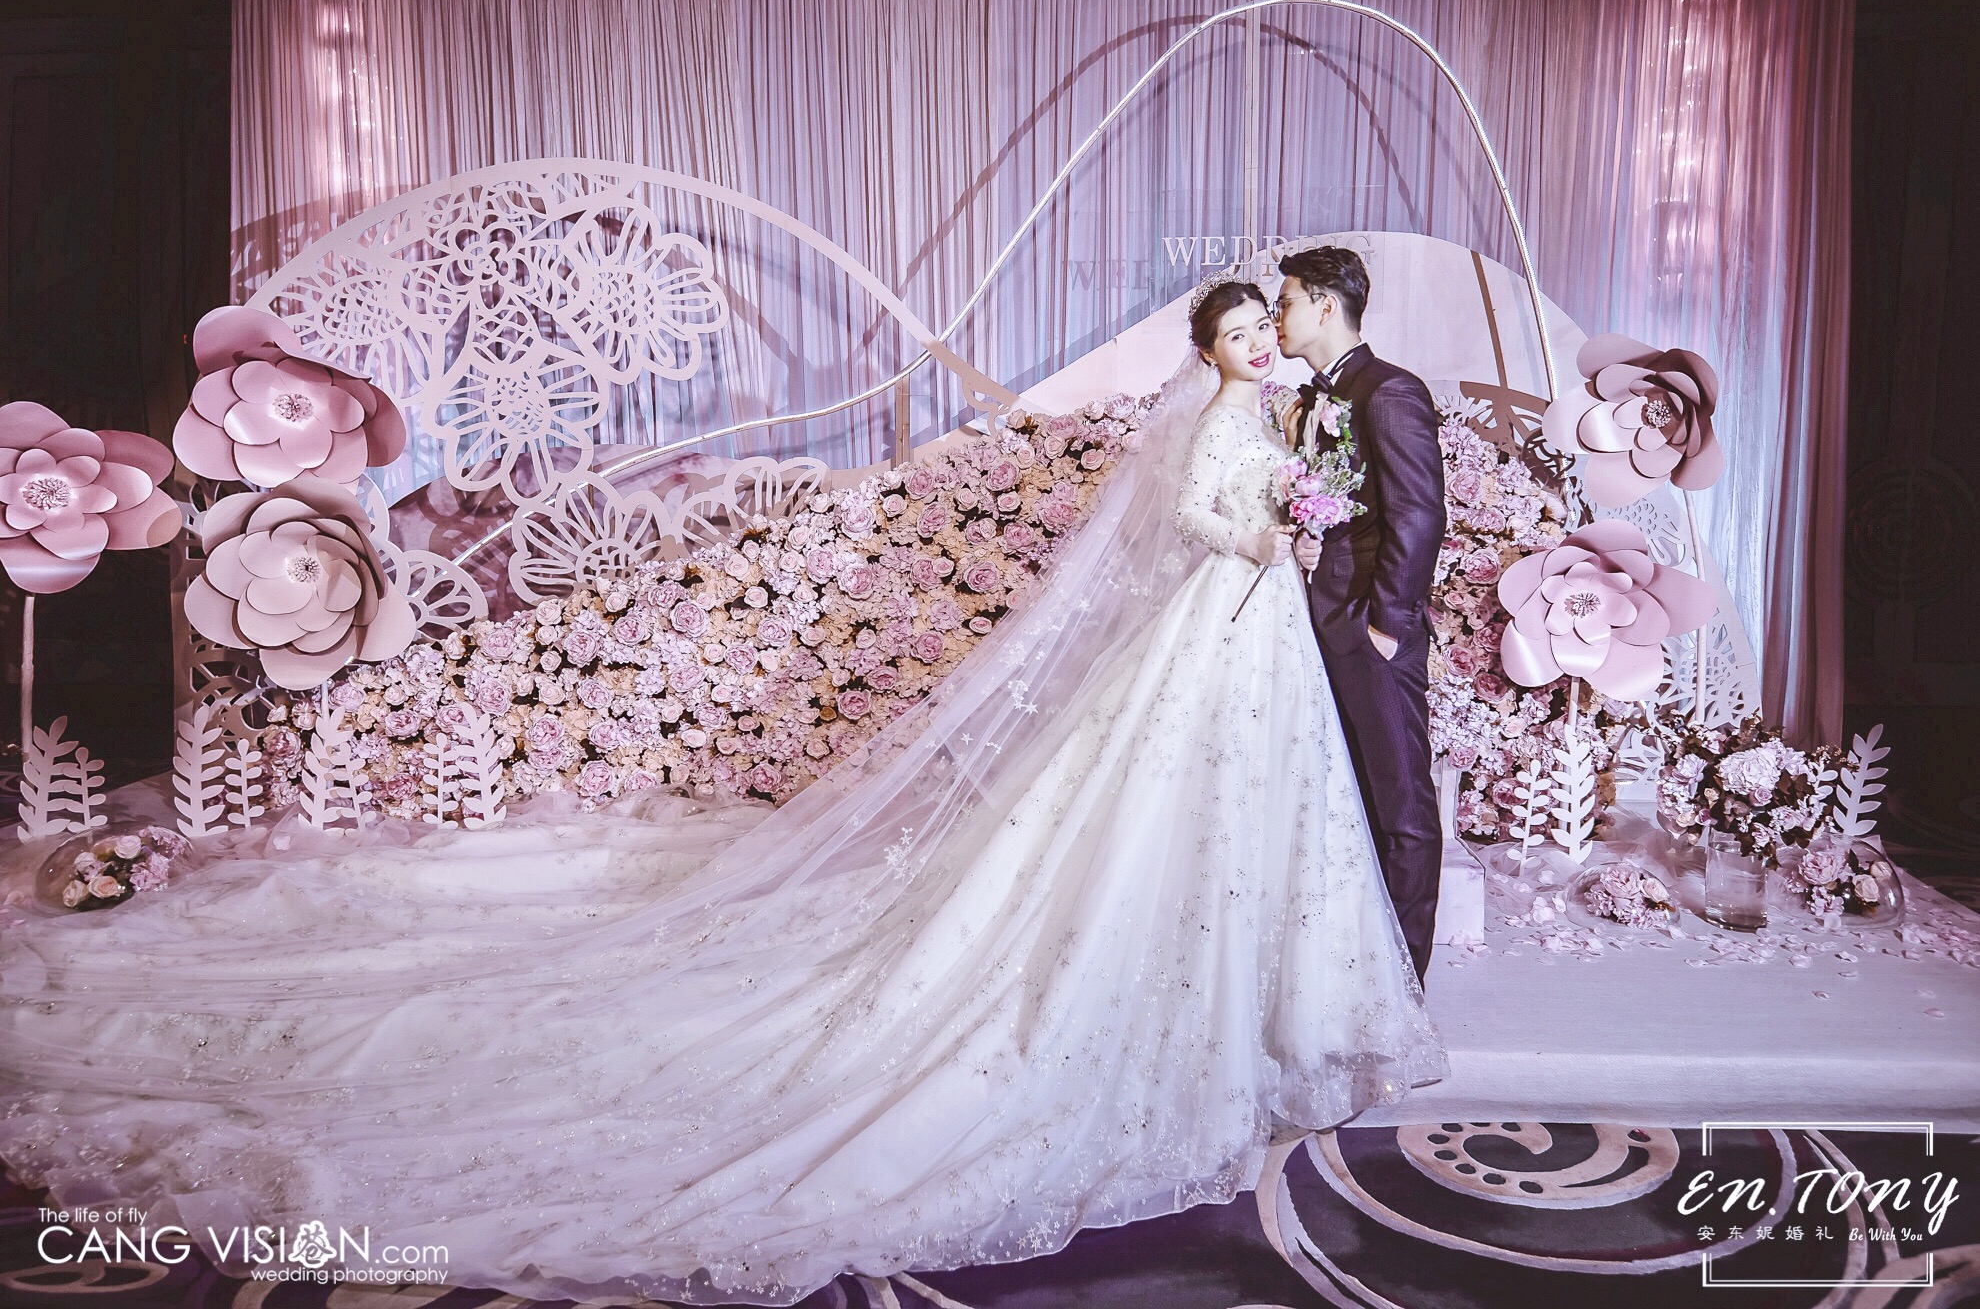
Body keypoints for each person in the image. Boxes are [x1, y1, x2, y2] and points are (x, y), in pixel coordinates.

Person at [0, 280, 1445, 1307]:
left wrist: (1299, 519)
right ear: (1211, 348)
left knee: (1253, 804)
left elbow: (1299, 500)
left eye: (1263, 328)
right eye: (1238, 332)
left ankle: (1260, 974)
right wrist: (1272, 530)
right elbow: (1197, 512)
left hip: (1254, 636)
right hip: (1227, 612)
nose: (1255, 344)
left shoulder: (1305, 406)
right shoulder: (1223, 420)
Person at [1275, 247, 1449, 985]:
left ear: (1324, 305)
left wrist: (1386, 624)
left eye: (1284, 303)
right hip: (1321, 621)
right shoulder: (1316, 399)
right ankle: (1359, 974)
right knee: (1349, 804)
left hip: (1370, 628)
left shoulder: (1389, 390)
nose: (1276, 319)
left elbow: (1419, 514)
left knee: (1401, 805)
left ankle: (1405, 983)